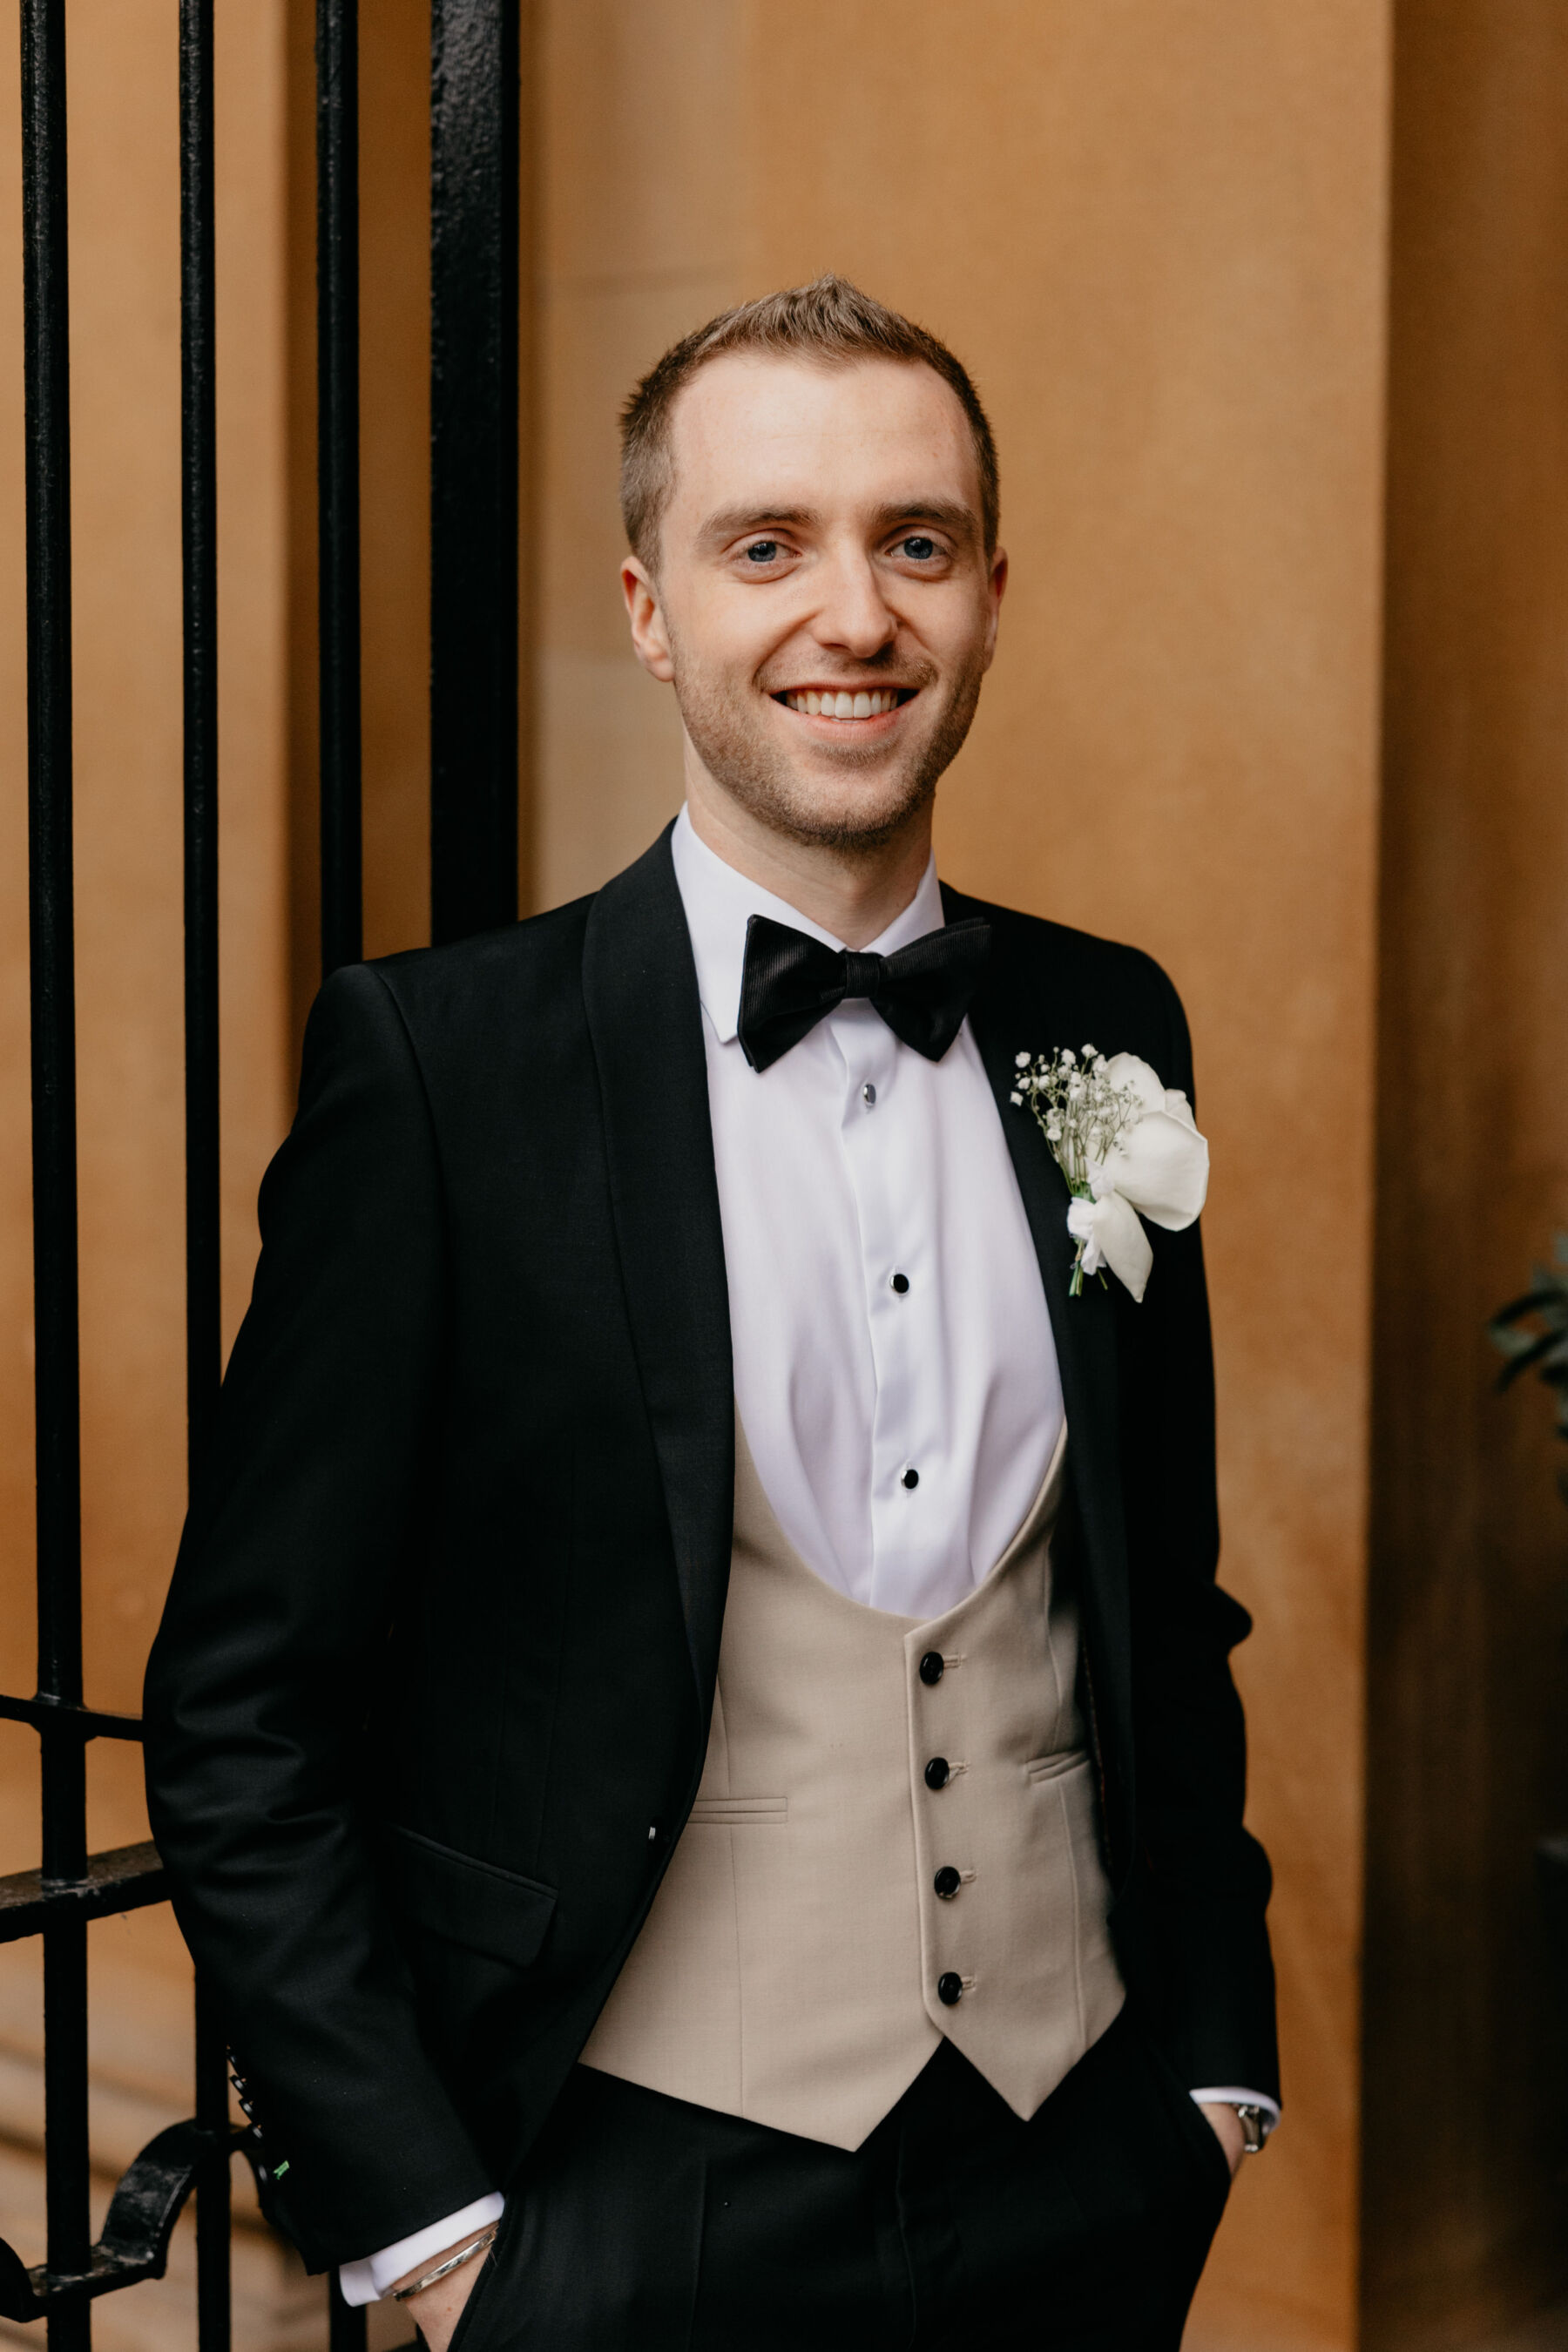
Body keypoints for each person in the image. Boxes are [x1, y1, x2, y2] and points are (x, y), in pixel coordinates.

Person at [143, 277, 1278, 2350]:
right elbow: (243, 1711)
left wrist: (1211, 2079)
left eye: (912, 544)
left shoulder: (1112, 1026)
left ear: (991, 593)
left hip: (1084, 2172)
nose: (855, 615)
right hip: (623, 2207)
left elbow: (1162, 1610)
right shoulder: (441, 1069)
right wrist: (441, 2243)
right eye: (769, 545)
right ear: (653, 606)